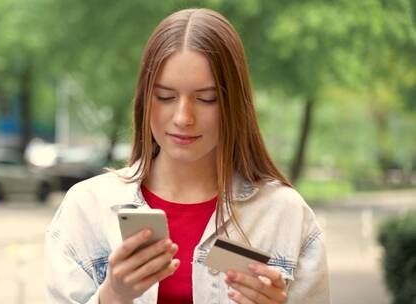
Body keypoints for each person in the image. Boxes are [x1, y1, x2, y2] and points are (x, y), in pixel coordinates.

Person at [45, 8, 330, 304]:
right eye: (165, 96)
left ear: (234, 103)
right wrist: (113, 296)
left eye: (206, 99)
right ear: (145, 98)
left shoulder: (285, 214)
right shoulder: (87, 209)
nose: (183, 117)